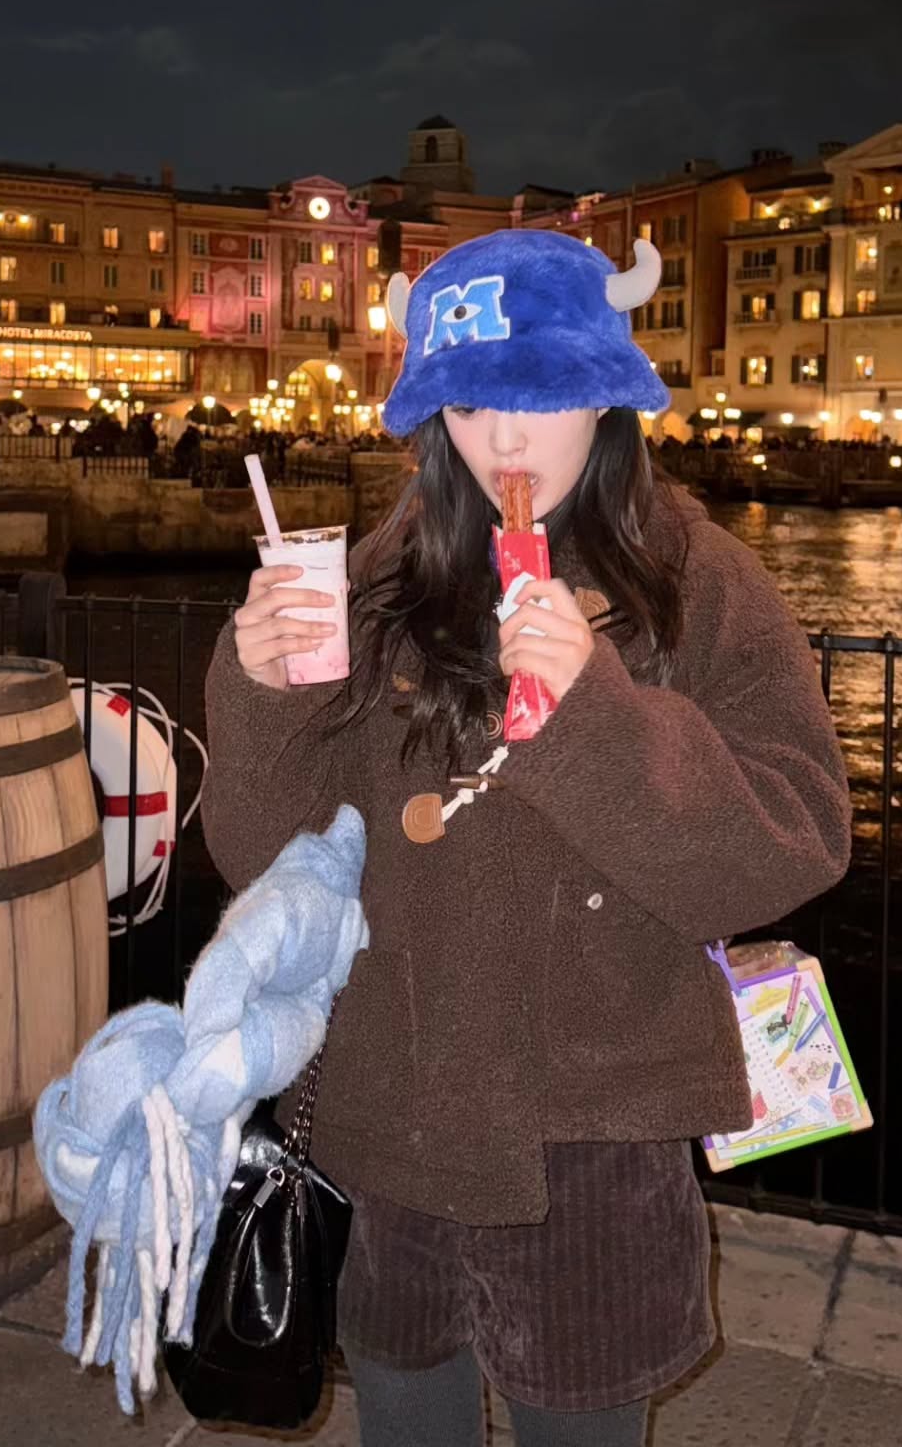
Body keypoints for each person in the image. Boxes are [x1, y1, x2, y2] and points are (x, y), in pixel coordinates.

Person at [201, 229, 852, 1447]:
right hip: (397, 1107)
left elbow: (797, 835)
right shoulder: (381, 580)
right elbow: (268, 856)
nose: (503, 440)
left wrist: (595, 711)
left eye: (538, 397)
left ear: (604, 393)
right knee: (407, 1419)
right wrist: (260, 690)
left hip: (591, 1132)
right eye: (467, 404)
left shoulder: (700, 579)